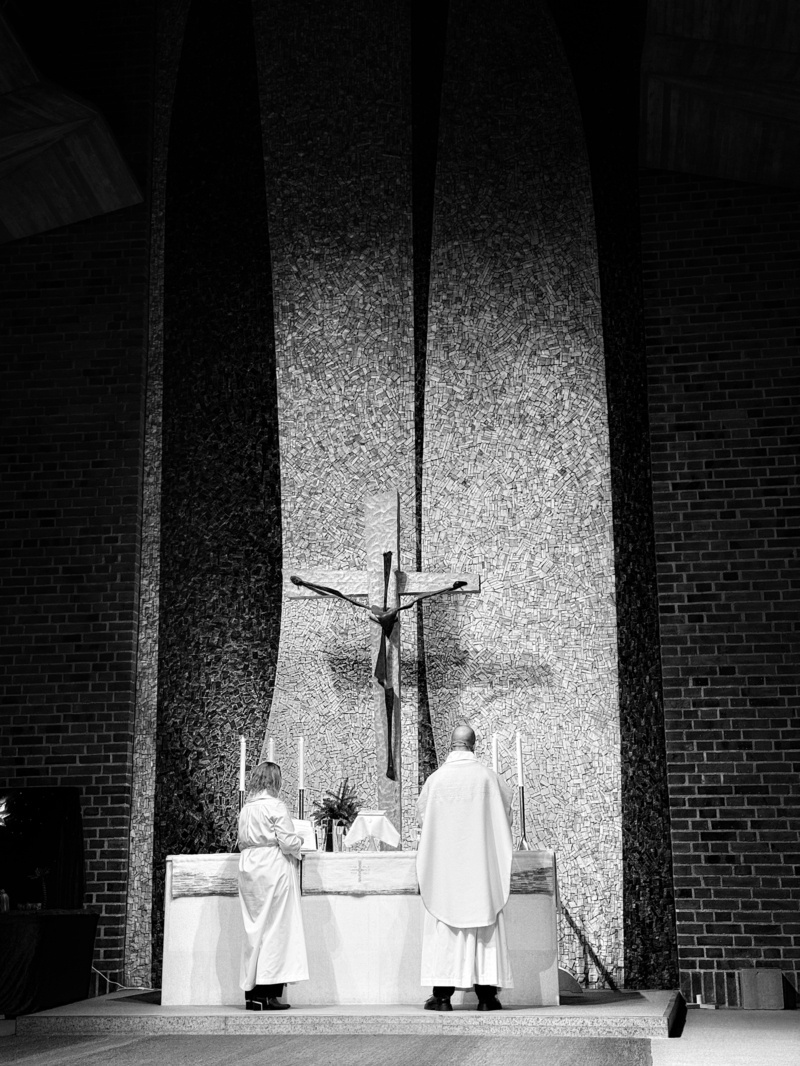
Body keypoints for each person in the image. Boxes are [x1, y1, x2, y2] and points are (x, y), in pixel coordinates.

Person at [416, 723, 514, 1012]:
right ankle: (486, 997)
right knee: (484, 925)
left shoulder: (436, 780)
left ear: (451, 744)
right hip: (481, 870)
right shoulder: (488, 778)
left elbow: (423, 819)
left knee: (445, 928)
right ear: (473, 745)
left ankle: (442, 997)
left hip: (446, 872)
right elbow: (505, 816)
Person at [237, 760, 308, 1010]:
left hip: (249, 866)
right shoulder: (275, 806)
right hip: (272, 866)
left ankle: (252, 994)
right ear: (275, 781)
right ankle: (266, 993)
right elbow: (287, 842)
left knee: (254, 929)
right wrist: (300, 843)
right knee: (275, 929)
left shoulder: (246, 809)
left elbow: (240, 840)